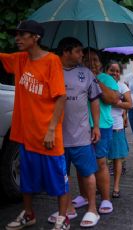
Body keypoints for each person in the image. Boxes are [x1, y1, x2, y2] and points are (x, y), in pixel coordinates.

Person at [1, 20, 70, 230]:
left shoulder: (52, 61)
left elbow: (61, 98)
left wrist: (50, 130)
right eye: (17, 34)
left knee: (58, 178)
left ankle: (63, 217)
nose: (18, 38)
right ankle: (29, 214)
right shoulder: (20, 59)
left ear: (36, 37)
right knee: (27, 179)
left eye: (23, 34)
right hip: (26, 134)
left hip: (48, 134)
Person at [43, 37, 102, 228]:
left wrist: (96, 126)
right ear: (66, 52)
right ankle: (68, 209)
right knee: (62, 174)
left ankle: (92, 209)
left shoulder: (87, 73)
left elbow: (94, 100)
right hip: (58, 137)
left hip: (81, 135)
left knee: (87, 173)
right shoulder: (50, 72)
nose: (82, 54)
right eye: (78, 51)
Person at [77, 49, 119, 215]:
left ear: (100, 63)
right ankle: (84, 196)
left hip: (101, 125)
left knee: (100, 162)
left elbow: (112, 99)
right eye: (87, 60)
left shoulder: (106, 78)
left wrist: (95, 80)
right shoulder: (78, 77)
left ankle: (106, 199)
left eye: (95, 60)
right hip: (80, 126)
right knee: (81, 164)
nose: (91, 63)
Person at [106, 61, 133, 198]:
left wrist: (117, 102)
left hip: (116, 126)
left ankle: (116, 187)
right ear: (106, 71)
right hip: (101, 126)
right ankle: (102, 185)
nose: (115, 73)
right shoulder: (100, 85)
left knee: (117, 158)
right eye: (112, 70)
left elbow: (130, 104)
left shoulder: (122, 87)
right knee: (101, 159)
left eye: (117, 71)